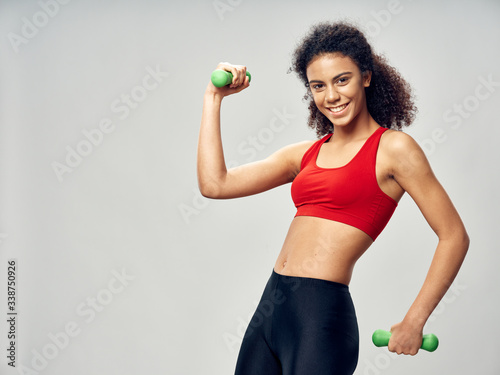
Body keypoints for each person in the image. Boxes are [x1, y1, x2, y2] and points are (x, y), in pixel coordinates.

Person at [197, 21, 469, 375]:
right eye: (318, 86)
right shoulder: (306, 154)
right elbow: (215, 184)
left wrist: (414, 320)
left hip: (320, 319)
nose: (332, 96)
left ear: (366, 77)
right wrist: (212, 98)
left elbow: (454, 236)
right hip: (270, 310)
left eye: (343, 80)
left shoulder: (394, 149)